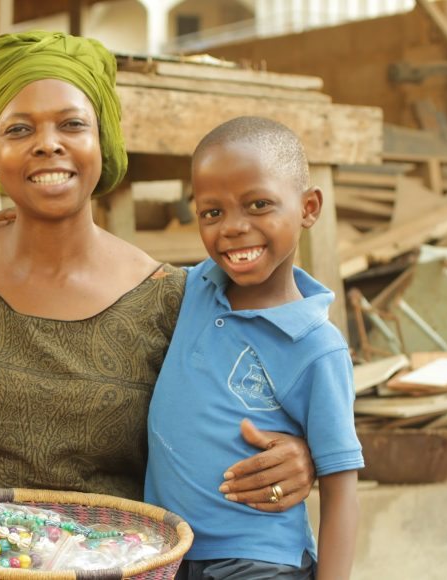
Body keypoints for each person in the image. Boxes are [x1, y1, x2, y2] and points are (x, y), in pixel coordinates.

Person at [0, 31, 316, 511]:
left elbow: (257, 400)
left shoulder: (171, 299)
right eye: (19, 129)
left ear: (103, 142)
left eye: (72, 124)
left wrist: (303, 455)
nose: (48, 144)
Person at [144, 116, 363, 579]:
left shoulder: (316, 347)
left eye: (258, 204)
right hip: (165, 552)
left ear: (308, 207)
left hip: (258, 560)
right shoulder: (195, 287)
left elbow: (342, 487)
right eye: (212, 212)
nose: (233, 228)